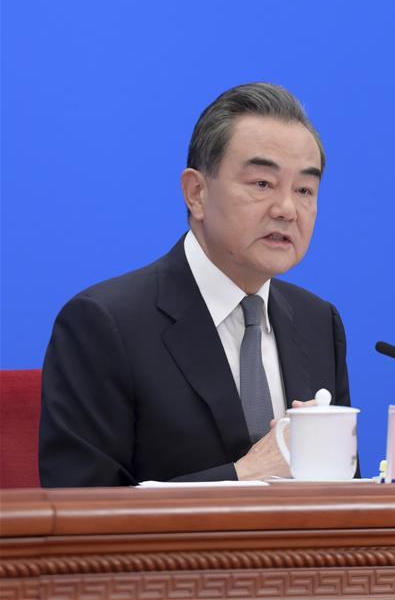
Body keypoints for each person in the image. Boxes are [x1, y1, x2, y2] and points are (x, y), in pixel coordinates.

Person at [39, 83, 352, 486]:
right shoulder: (105, 324)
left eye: (305, 190)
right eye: (262, 184)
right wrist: (244, 475)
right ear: (196, 193)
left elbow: (344, 495)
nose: (287, 209)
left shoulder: (318, 322)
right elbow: (81, 506)